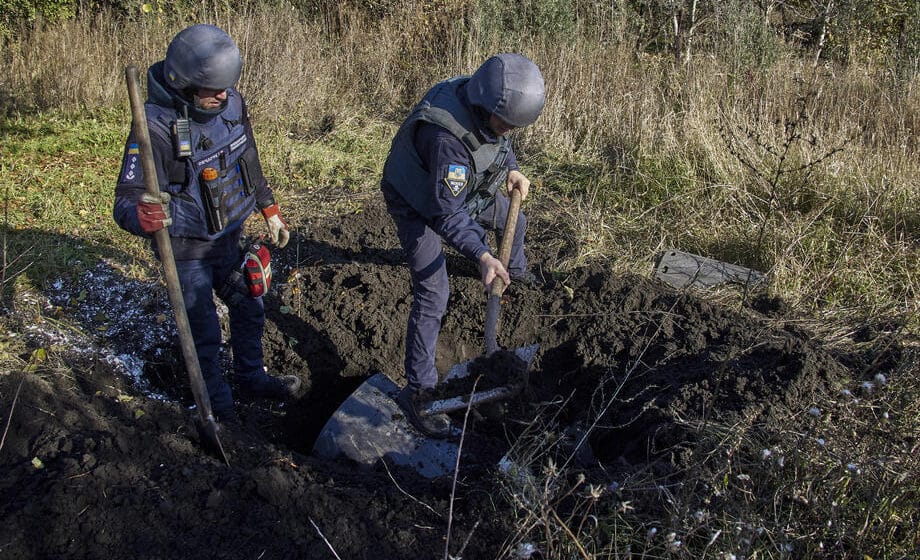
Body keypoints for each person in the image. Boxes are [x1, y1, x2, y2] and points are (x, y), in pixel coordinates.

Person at [113, 24, 300, 424]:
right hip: (187, 251)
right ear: (184, 84)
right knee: (205, 334)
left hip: (228, 238)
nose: (223, 95)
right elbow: (125, 199)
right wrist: (142, 216)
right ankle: (221, 411)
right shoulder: (154, 127)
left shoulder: (231, 104)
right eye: (213, 89)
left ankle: (252, 378)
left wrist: (269, 207)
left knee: (250, 304)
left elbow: (248, 156)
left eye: (227, 87)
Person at [380, 53, 546, 438]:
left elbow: (499, 143)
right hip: (418, 201)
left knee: (515, 220)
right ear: (485, 107)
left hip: (461, 190)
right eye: (506, 123)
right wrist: (483, 256)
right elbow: (447, 215)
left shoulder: (483, 97)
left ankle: (514, 275)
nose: (509, 130)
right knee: (433, 291)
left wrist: (513, 167)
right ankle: (419, 393)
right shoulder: (446, 141)